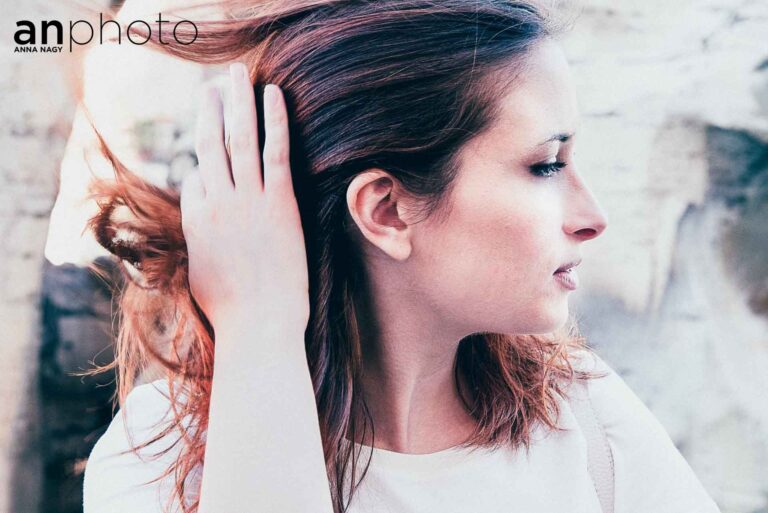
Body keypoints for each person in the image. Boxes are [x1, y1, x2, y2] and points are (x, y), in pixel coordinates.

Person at [81, 1, 722, 512]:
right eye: (545, 165)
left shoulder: (582, 415)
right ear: (387, 210)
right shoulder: (163, 462)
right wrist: (258, 329)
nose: (592, 218)